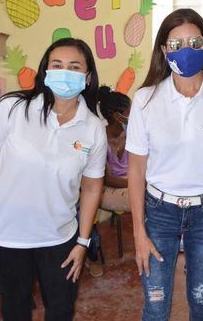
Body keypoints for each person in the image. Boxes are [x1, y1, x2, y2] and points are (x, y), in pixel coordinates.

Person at [0, 38, 107, 321]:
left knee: (61, 309)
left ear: (87, 76)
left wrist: (82, 242)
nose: (65, 72)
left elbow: (92, 188)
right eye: (57, 65)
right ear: (45, 71)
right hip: (5, 236)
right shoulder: (13, 108)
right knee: (16, 308)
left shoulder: (93, 128)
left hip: (59, 238)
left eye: (74, 66)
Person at [126, 8, 203, 321]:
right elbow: (136, 170)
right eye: (176, 43)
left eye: (194, 43)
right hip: (159, 211)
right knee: (155, 304)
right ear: (163, 50)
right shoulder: (145, 100)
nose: (186, 51)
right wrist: (138, 231)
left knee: (201, 301)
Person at [81, 86, 132, 277]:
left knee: (150, 195)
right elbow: (106, 179)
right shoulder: (99, 137)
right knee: (147, 196)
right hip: (106, 190)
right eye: (129, 112)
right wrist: (136, 182)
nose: (133, 115)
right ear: (118, 116)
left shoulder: (132, 133)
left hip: (131, 186)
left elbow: (143, 165)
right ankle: (91, 256)